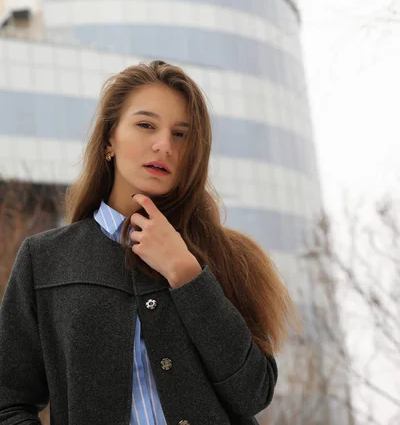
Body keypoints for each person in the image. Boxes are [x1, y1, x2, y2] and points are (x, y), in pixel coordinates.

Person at [0, 59, 298, 425]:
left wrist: (187, 274)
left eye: (181, 134)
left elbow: (254, 392)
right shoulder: (45, 261)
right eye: (145, 125)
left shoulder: (231, 257)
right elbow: (8, 403)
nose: (164, 146)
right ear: (110, 138)